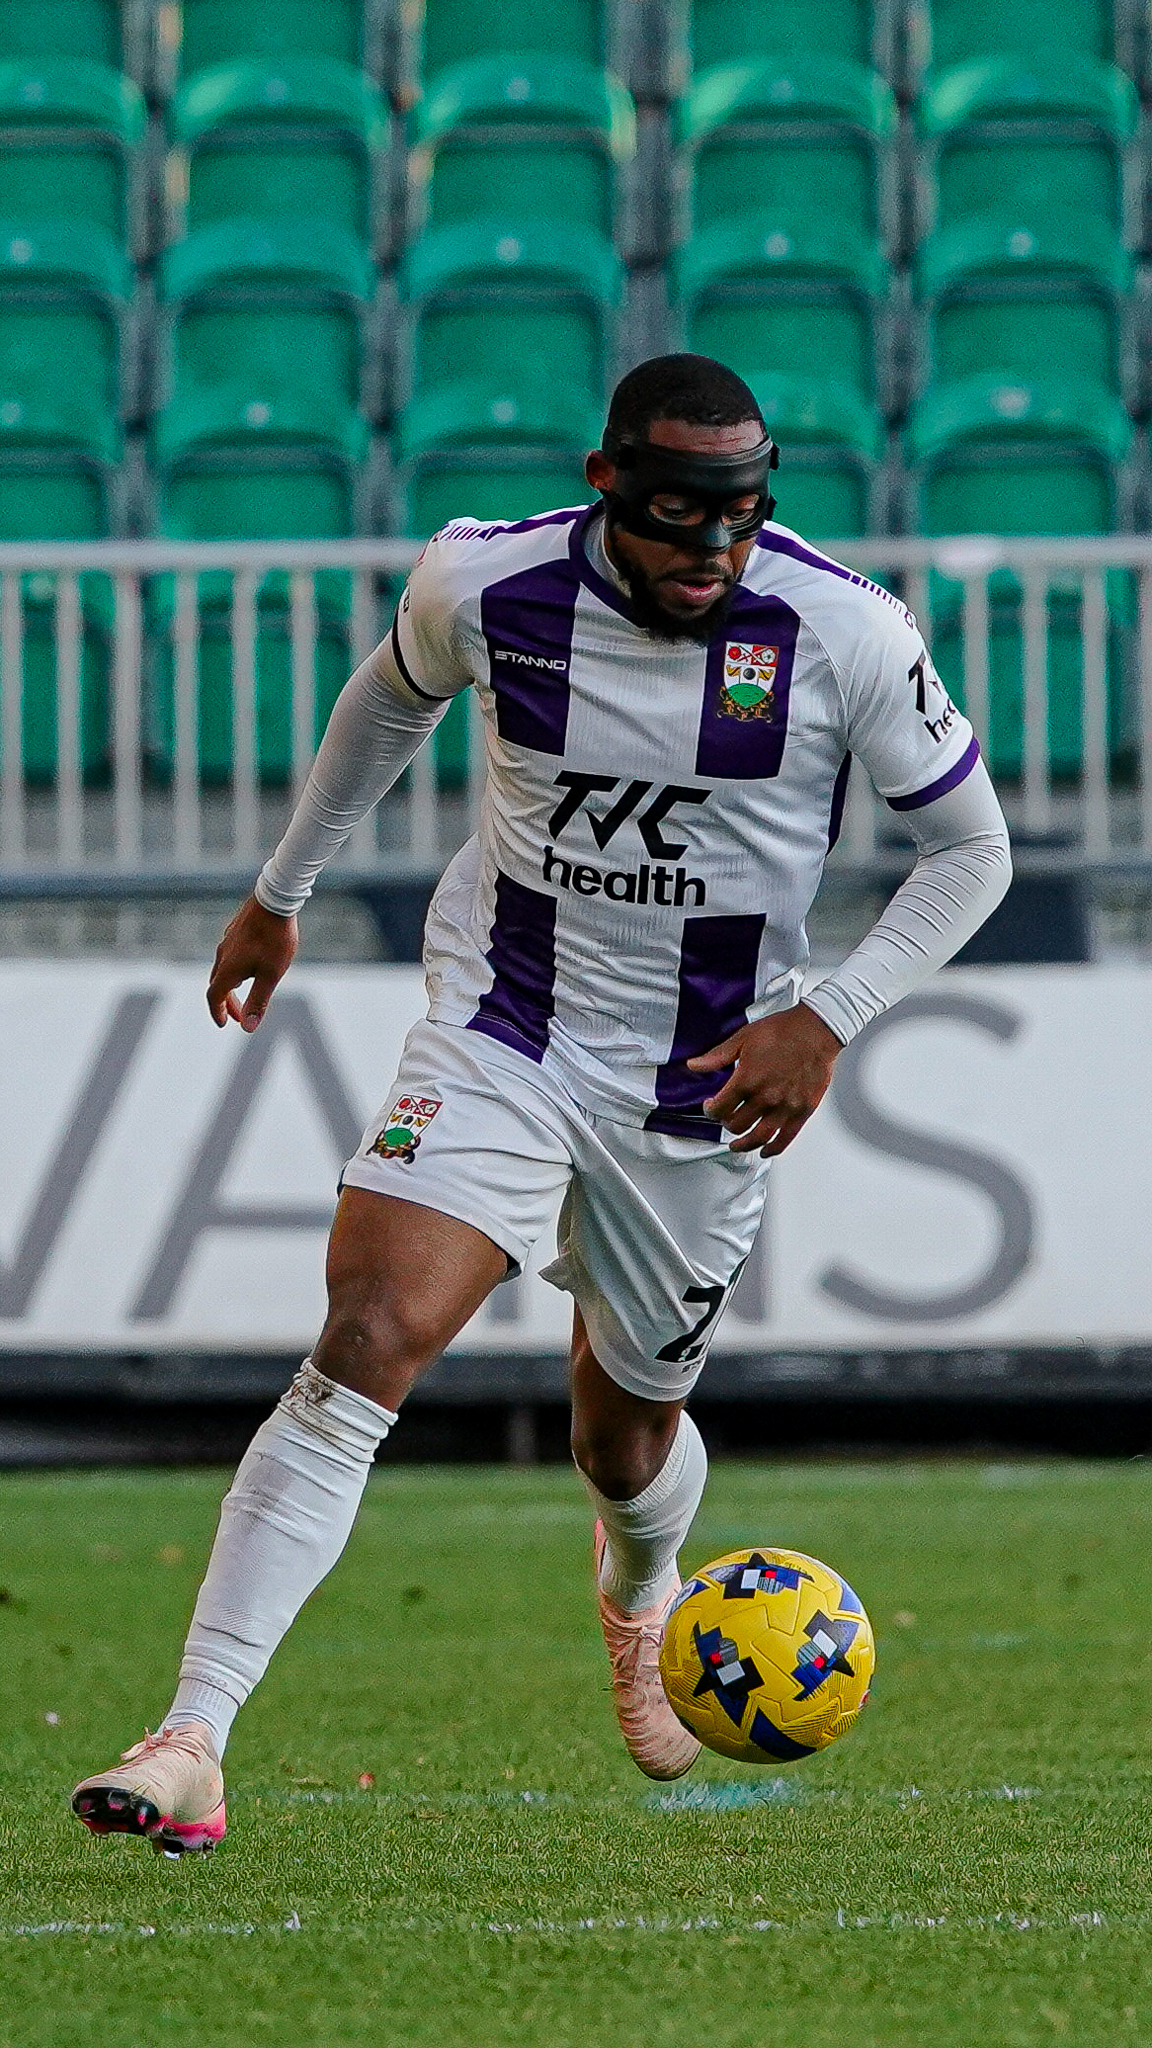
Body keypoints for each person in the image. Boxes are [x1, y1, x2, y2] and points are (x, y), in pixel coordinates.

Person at [71, 353, 1011, 1854]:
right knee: (368, 1335)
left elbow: (975, 852)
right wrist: (279, 893)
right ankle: (195, 1735)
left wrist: (828, 1019)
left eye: (742, 513)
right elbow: (385, 706)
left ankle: (641, 1597)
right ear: (607, 482)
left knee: (622, 1445)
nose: (713, 547)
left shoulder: (842, 630)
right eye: (680, 511)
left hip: (702, 1087)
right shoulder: (485, 584)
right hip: (505, 1031)